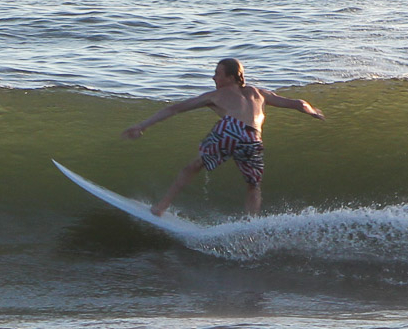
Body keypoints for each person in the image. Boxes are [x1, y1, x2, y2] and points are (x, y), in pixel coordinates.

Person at [121, 58, 324, 216]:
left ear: (232, 77)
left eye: (217, 74)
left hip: (230, 128)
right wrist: (313, 111)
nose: (213, 78)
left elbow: (175, 108)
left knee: (194, 166)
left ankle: (161, 207)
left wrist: (142, 125)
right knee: (253, 185)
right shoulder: (260, 93)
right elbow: (298, 103)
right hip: (253, 137)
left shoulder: (215, 95)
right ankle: (251, 228)